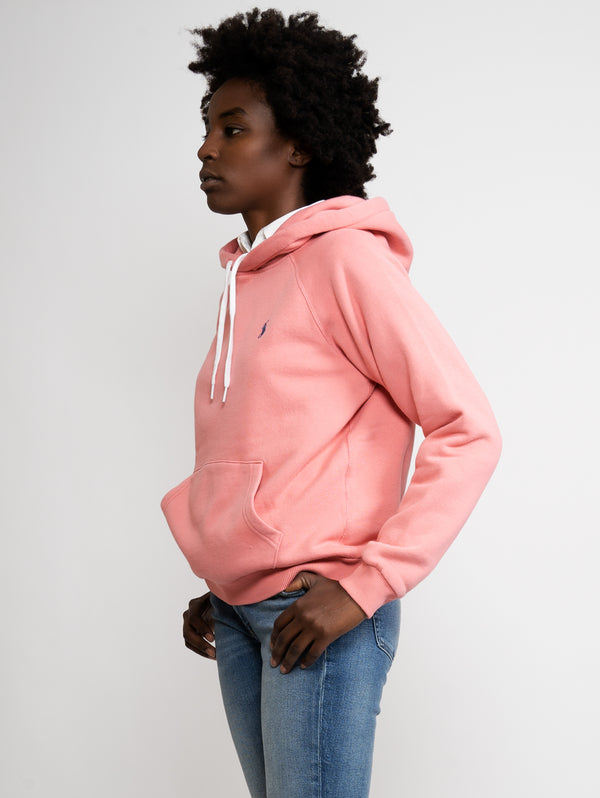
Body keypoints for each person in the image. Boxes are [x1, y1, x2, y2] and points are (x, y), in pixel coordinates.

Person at [161, 8, 502, 798]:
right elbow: (272, 446)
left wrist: (365, 585)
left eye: (233, 129)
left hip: (321, 608)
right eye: (207, 129)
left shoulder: (346, 259)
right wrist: (225, 571)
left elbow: (469, 429)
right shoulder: (245, 282)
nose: (207, 148)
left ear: (299, 145)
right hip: (242, 610)